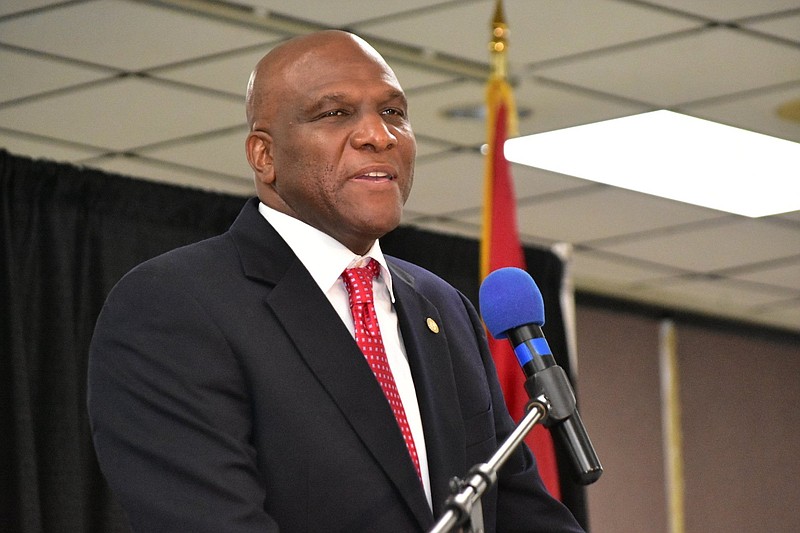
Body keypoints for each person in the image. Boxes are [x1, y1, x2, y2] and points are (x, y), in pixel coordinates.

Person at [87, 30, 584, 533]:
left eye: (393, 113)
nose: (379, 135)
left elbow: (519, 513)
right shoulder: (176, 304)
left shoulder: (443, 309)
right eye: (335, 113)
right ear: (264, 156)